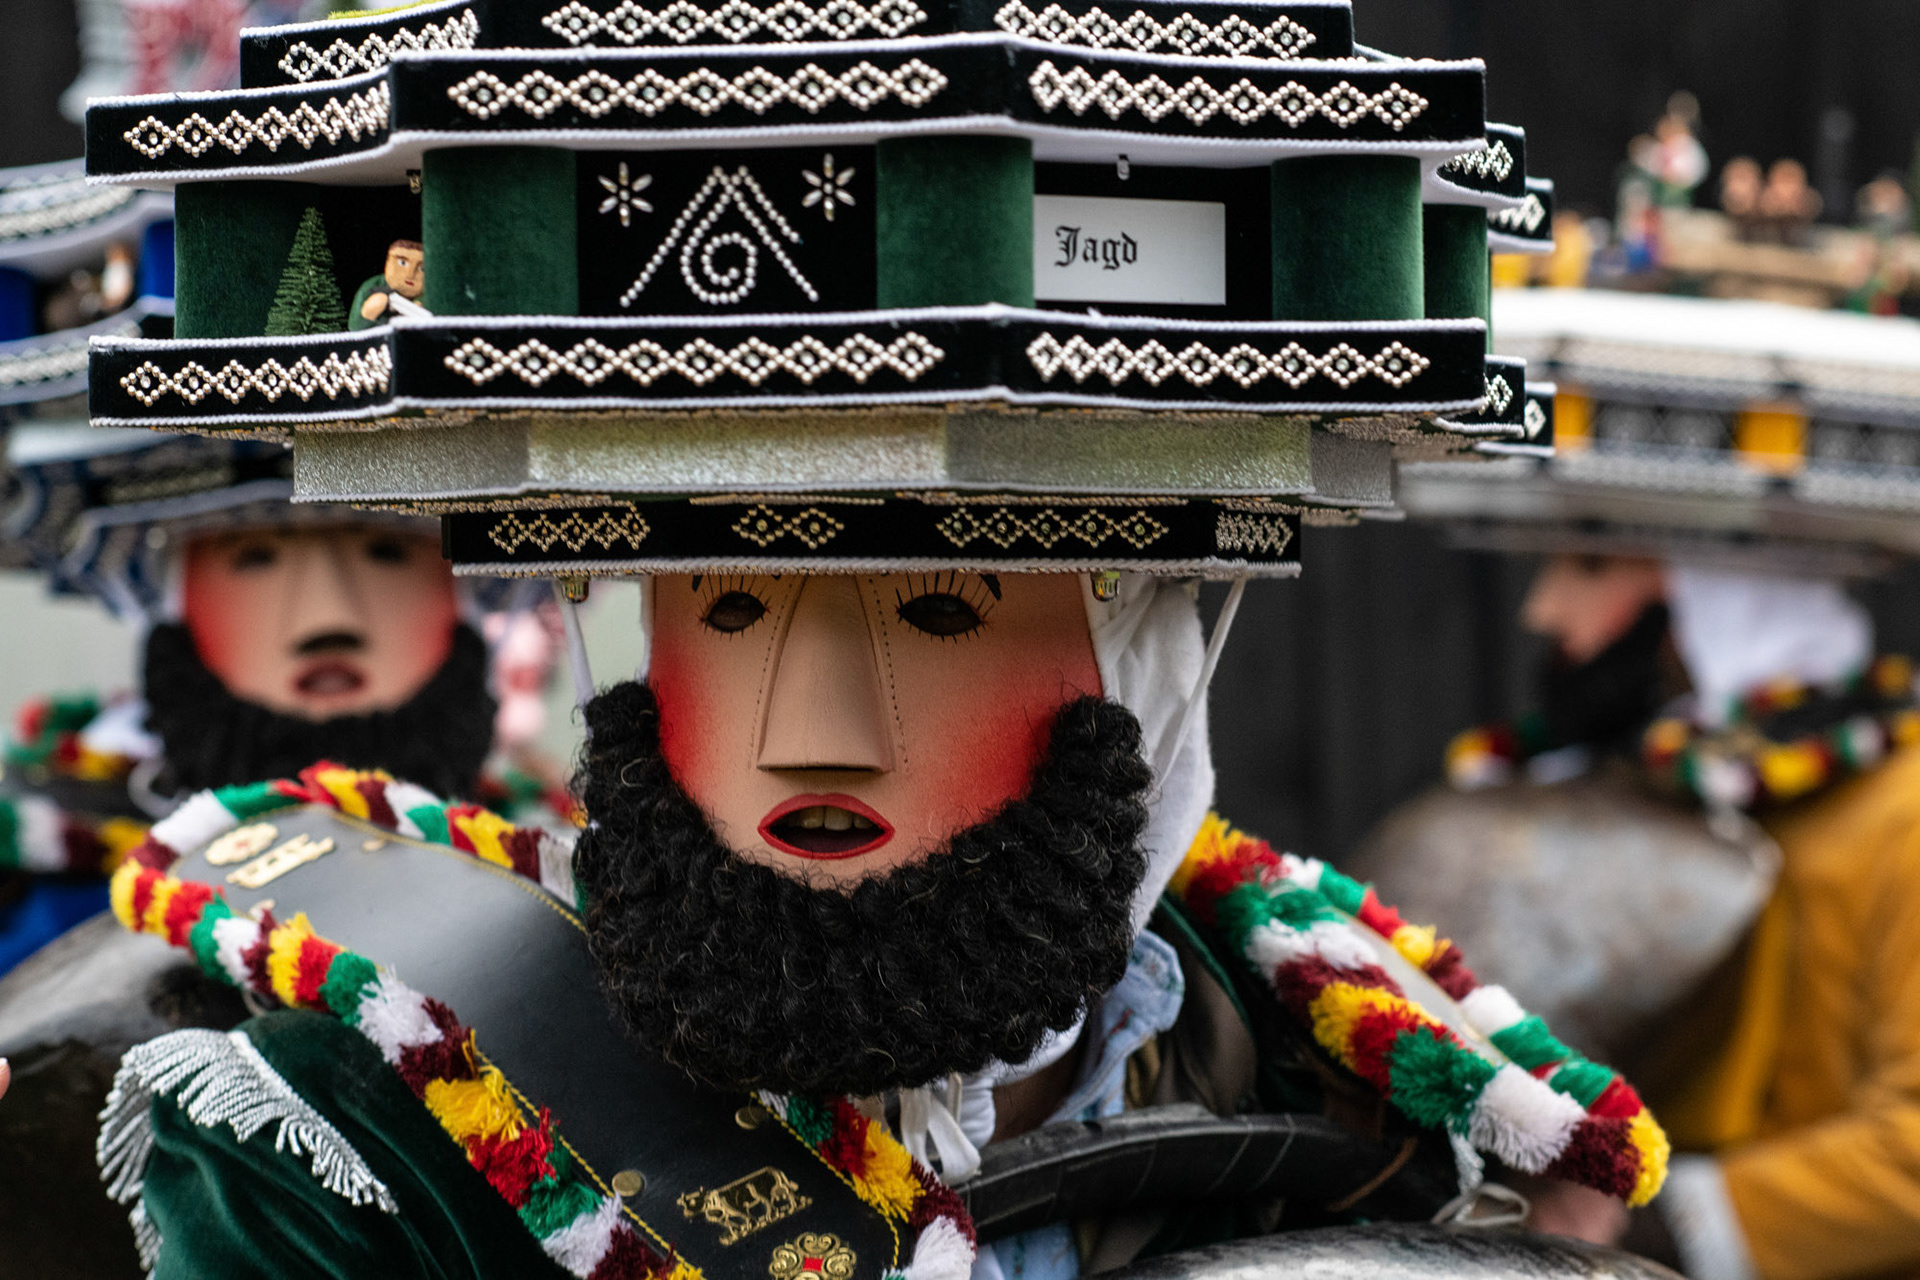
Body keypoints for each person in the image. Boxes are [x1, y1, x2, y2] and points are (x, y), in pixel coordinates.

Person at [349, 238, 427, 330]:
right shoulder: (373, 285)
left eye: (421, 269)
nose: (410, 275)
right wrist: (369, 313)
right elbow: (355, 326)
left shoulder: (428, 292)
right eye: (402, 263)